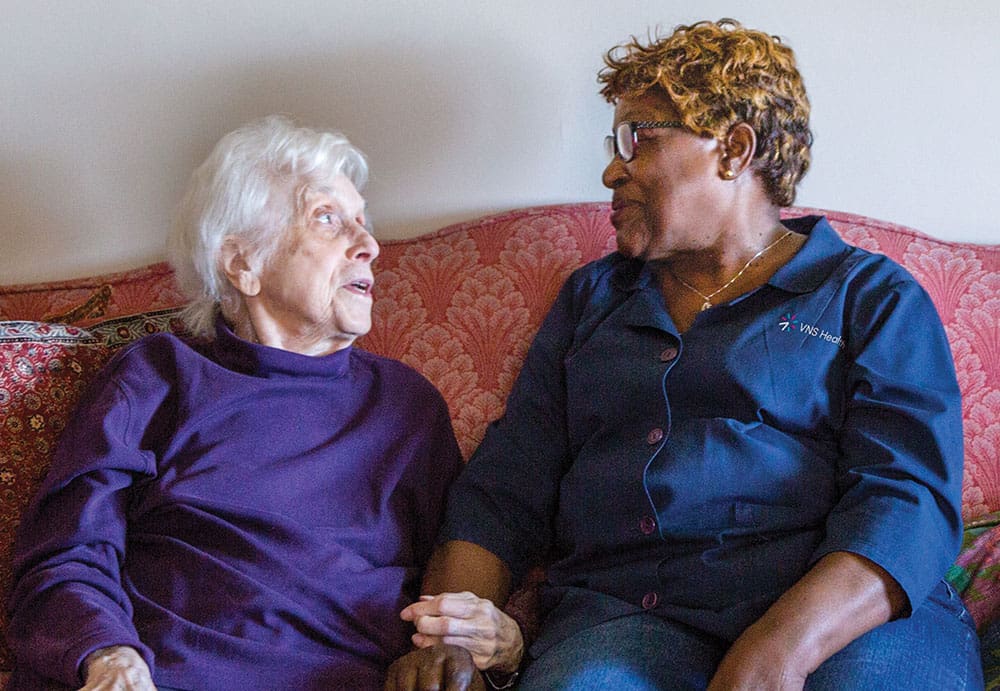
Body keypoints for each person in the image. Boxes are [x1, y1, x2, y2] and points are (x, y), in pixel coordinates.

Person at [385, 19, 981, 691]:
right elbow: (505, 489)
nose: (613, 167)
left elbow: (907, 498)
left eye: (638, 137)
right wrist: (454, 636)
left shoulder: (869, 296)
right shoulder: (595, 299)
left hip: (839, 619)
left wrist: (777, 647)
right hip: (627, 619)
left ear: (732, 148)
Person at [6, 115, 463, 690]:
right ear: (243, 263)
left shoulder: (405, 407)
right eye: (328, 219)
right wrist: (109, 655)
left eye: (362, 223)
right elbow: (65, 555)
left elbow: (457, 573)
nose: (369, 245)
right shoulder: (158, 378)